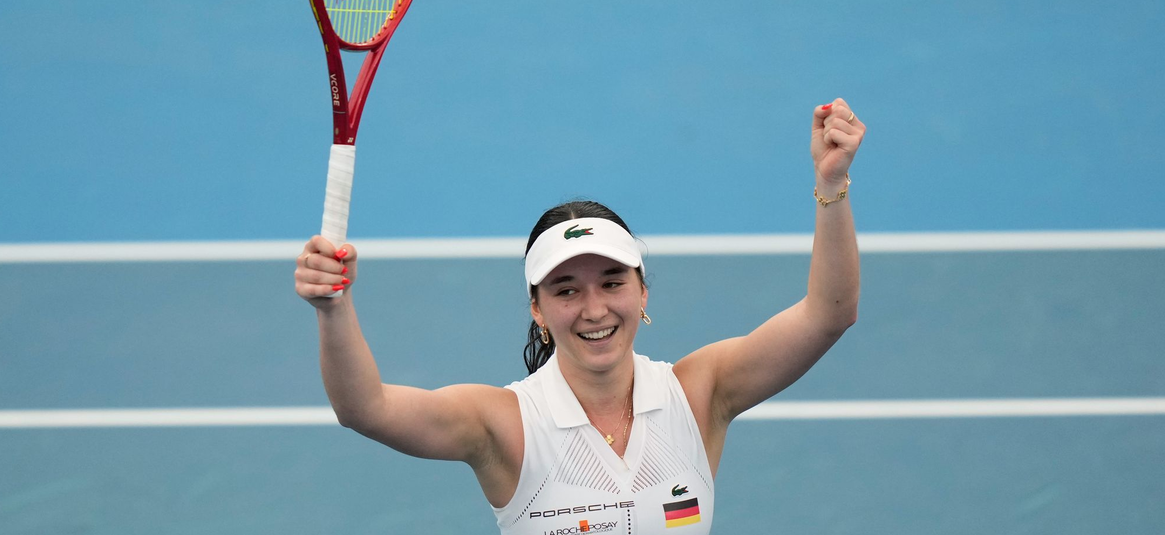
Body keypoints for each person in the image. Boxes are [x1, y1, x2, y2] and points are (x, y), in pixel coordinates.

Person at [295, 99, 865, 534]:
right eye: (566, 290)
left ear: (642, 293)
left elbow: (828, 315)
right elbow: (364, 408)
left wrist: (831, 184)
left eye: (613, 282)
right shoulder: (502, 425)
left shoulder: (700, 393)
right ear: (538, 310)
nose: (595, 309)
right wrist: (333, 307)